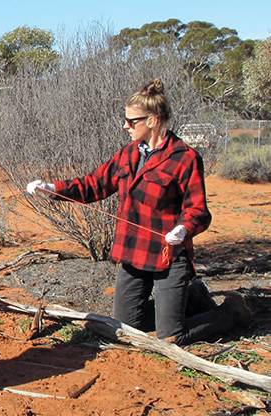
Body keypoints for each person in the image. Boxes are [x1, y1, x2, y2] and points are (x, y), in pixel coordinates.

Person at [27, 78, 251, 345]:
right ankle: (190, 300)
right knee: (125, 329)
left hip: (169, 256)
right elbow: (93, 185)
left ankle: (229, 311)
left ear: (153, 121)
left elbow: (198, 210)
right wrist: (53, 189)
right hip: (134, 252)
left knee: (171, 337)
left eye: (132, 121)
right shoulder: (128, 154)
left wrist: (183, 229)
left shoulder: (185, 158)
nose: (125, 126)